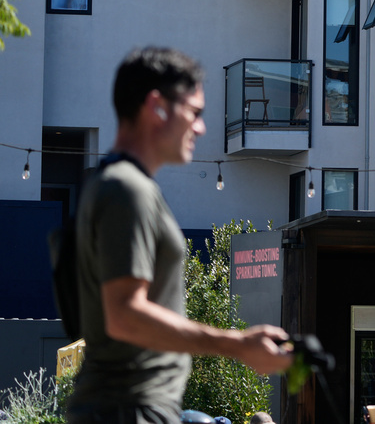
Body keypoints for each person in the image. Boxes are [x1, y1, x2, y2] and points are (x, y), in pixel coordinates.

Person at [66, 47, 293, 424]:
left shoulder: (120, 185)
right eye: (194, 112)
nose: (201, 127)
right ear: (156, 107)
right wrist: (238, 344)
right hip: (128, 410)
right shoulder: (126, 189)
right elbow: (124, 315)